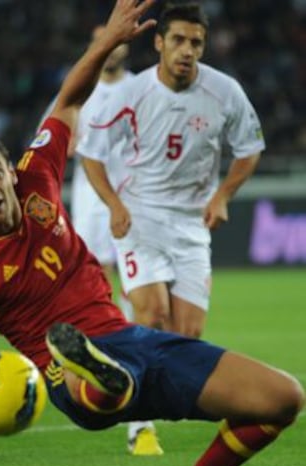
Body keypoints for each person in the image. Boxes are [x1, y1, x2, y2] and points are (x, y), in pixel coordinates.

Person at [0, 0, 304, 466]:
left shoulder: (39, 176)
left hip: (133, 340)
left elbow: (69, 99)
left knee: (283, 399)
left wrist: (107, 41)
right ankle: (105, 379)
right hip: (63, 377)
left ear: (10, 169)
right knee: (94, 386)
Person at [78, 2, 265, 339]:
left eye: (196, 43)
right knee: (153, 317)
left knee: (188, 336)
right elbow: (91, 154)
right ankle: (138, 386)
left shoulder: (225, 92)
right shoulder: (129, 94)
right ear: (159, 43)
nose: (187, 51)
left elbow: (250, 148)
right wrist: (114, 204)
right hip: (140, 216)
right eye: (178, 40)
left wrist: (223, 195)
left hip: (192, 223)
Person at [37, 26, 162, 455]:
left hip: (130, 200)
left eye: (118, 40)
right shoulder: (79, 90)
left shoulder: (141, 87)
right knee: (92, 289)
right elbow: (51, 143)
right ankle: (96, 372)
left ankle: (134, 393)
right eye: (103, 40)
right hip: (87, 204)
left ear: (128, 45)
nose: (113, 47)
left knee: (136, 288)